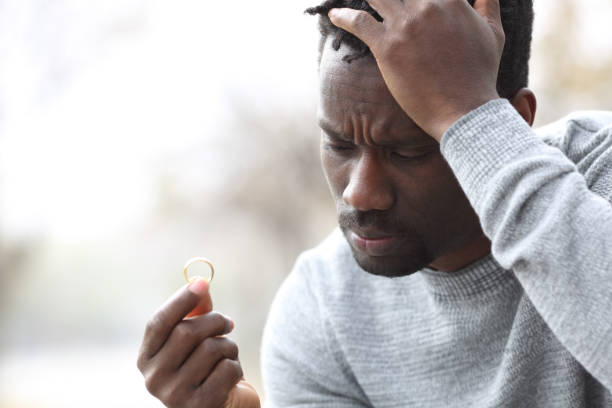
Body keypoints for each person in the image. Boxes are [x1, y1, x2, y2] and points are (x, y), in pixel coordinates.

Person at [137, 0, 612, 407]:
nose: (359, 193)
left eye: (408, 151)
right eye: (340, 145)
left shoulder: (601, 175)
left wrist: (471, 117)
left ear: (513, 123)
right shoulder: (323, 311)